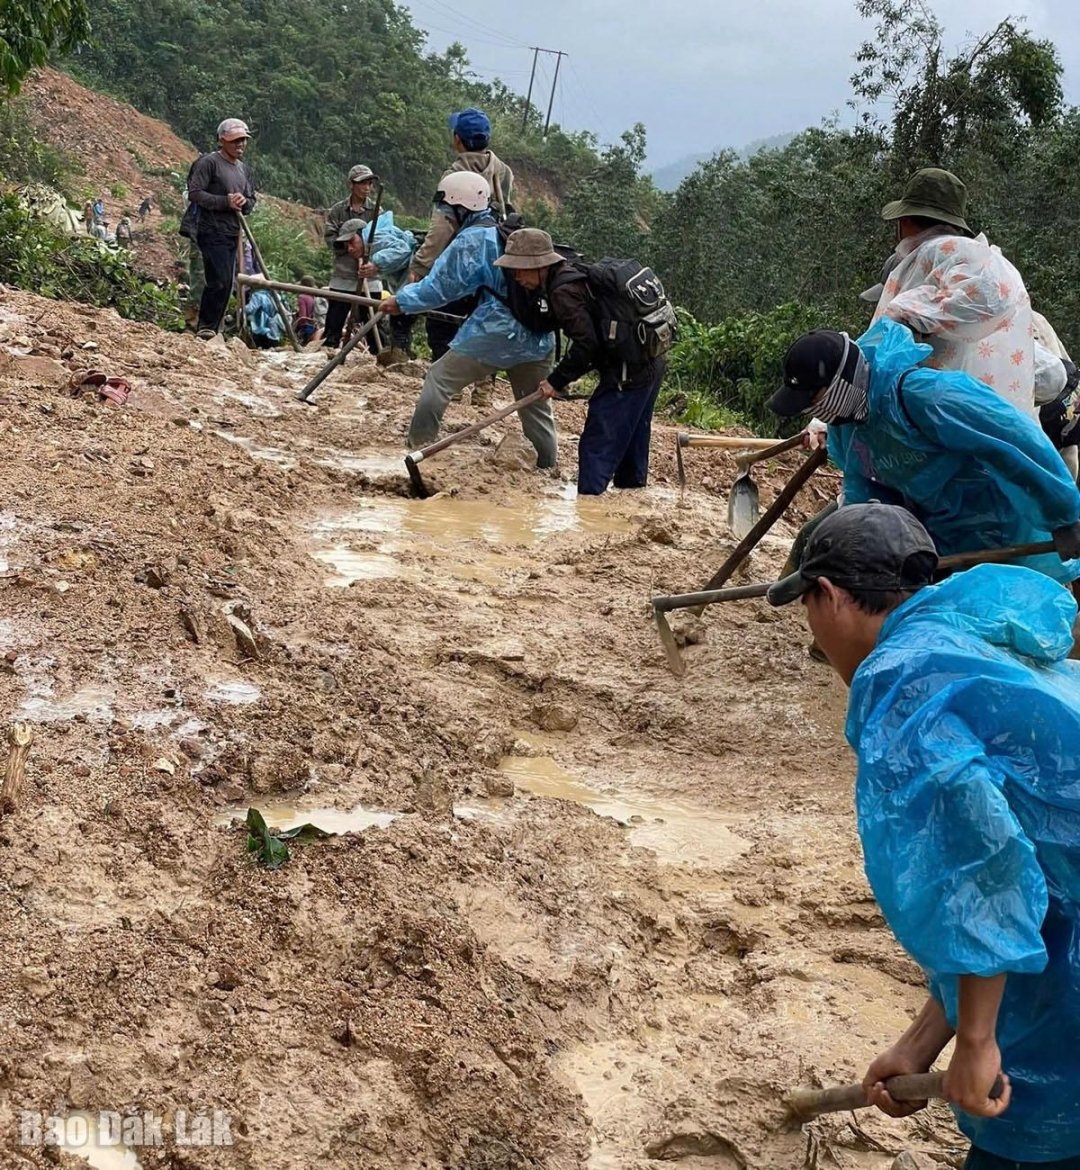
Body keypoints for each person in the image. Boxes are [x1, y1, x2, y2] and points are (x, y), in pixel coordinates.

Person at [766, 501, 1080, 1170]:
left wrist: (977, 1041)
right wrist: (922, 1042)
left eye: (808, 610)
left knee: (1036, 1135)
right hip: (1061, 922)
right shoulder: (960, 635)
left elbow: (982, 868)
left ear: (828, 597)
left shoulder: (902, 682)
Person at [769, 318, 1080, 584]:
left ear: (843, 381)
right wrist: (859, 553)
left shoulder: (927, 396)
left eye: (814, 398)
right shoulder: (848, 430)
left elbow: (1016, 442)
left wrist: (1063, 515)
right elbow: (865, 494)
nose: (812, 409)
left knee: (1015, 616)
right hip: (941, 541)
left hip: (1008, 529)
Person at [382, 173, 557, 468]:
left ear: (460, 208)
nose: (446, 219)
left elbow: (439, 288)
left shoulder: (473, 240)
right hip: (539, 335)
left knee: (439, 379)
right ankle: (548, 469)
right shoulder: (505, 229)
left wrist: (400, 302)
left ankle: (419, 448)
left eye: (447, 212)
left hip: (497, 331)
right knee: (536, 406)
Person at [493, 228, 666, 495]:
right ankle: (632, 500)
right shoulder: (573, 269)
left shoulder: (562, 291)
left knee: (597, 442)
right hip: (652, 358)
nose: (516, 277)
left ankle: (588, 503)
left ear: (539, 265)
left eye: (520, 269)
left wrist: (555, 381)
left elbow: (587, 346)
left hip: (628, 370)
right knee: (634, 436)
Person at [871, 167, 1038, 418]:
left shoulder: (938, 252)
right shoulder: (988, 258)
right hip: (991, 422)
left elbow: (984, 298)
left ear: (905, 220)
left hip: (937, 417)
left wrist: (905, 311)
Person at [410, 107, 515, 369]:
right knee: (483, 321)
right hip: (494, 260)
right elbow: (507, 209)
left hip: (459, 260)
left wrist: (420, 266)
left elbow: (441, 228)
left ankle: (443, 377)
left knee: (442, 323)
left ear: (458, 139)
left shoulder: (453, 176)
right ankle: (483, 382)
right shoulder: (503, 171)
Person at [186, 118, 256, 339]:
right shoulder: (209, 163)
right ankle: (206, 326)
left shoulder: (244, 170)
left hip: (232, 232)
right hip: (210, 229)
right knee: (218, 280)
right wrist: (225, 201)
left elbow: (251, 201)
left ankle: (214, 328)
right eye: (235, 140)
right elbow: (195, 193)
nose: (240, 144)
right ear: (222, 141)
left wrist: (243, 201)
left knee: (227, 283)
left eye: (243, 140)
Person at [333, 214, 417, 362]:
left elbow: (402, 249)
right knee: (400, 319)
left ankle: (400, 356)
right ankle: (399, 356)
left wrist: (377, 264)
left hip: (416, 276)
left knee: (402, 318)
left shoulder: (375, 237)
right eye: (346, 246)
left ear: (361, 234)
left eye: (352, 241)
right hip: (406, 280)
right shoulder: (369, 247)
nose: (350, 249)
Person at [322, 164, 378, 350]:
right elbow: (329, 237)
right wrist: (347, 246)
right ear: (351, 185)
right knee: (333, 326)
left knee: (375, 328)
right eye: (362, 183)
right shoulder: (338, 210)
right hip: (343, 276)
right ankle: (329, 356)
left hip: (368, 276)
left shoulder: (376, 210)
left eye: (369, 183)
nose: (366, 188)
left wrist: (365, 250)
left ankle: (378, 358)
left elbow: (384, 238)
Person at [293, 275, 318, 345]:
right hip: (311, 324)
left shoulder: (302, 297)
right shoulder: (312, 297)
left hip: (304, 326)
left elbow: (303, 315)